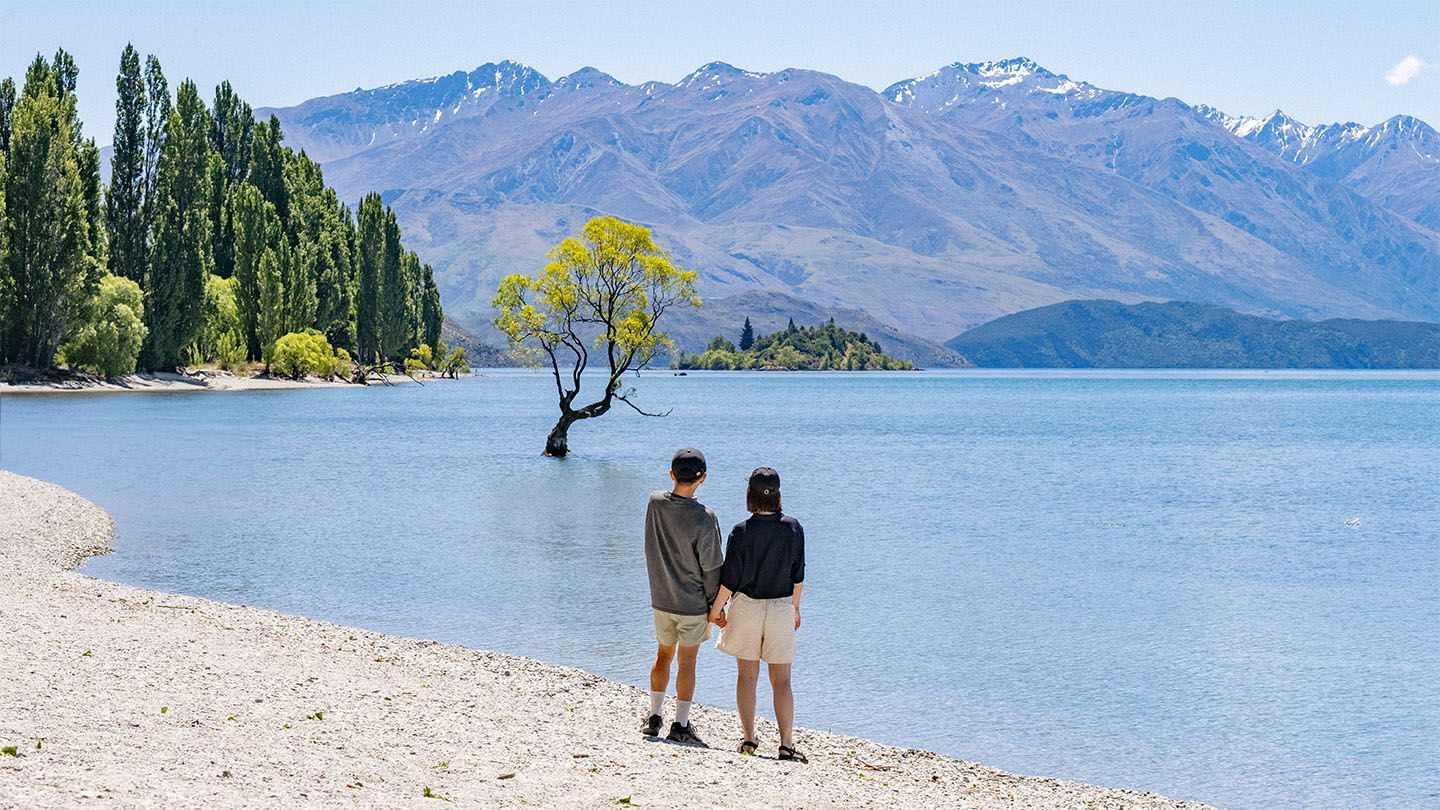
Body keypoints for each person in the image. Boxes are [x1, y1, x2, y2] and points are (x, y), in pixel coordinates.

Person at [708, 466, 808, 763]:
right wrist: (796, 609)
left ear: (749, 493)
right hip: (780, 607)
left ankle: (750, 739)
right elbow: (798, 576)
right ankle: (786, 745)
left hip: (747, 607)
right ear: (777, 494)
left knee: (747, 676)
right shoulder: (793, 527)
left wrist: (716, 610)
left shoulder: (741, 531)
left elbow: (730, 578)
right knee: (782, 681)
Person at [641, 447, 724, 745]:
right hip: (692, 604)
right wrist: (717, 606)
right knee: (687, 663)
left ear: (672, 474)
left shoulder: (654, 503)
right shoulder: (705, 517)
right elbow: (712, 567)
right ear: (703, 478)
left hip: (662, 599)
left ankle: (654, 716)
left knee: (663, 655)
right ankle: (680, 724)